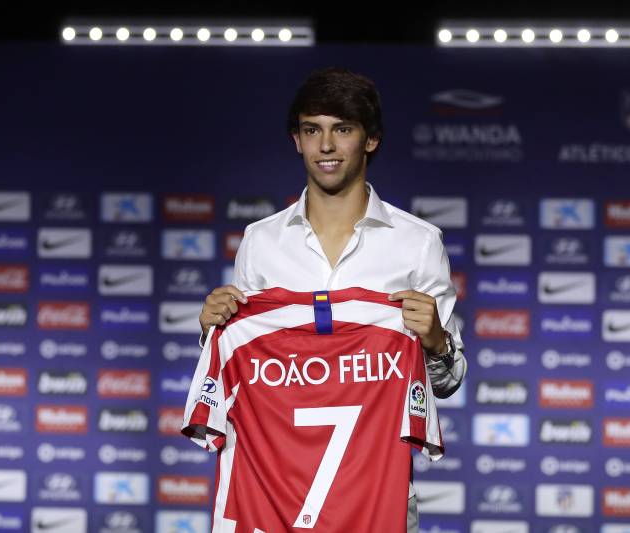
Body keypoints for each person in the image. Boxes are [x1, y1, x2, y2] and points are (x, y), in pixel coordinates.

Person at [198, 66, 466, 532]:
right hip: (275, 499)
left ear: (370, 140)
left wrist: (436, 341)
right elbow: (241, 369)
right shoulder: (261, 241)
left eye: (342, 129)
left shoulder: (418, 242)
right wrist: (213, 331)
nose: (325, 146)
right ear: (296, 140)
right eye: (312, 130)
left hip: (378, 501)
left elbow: (446, 382)